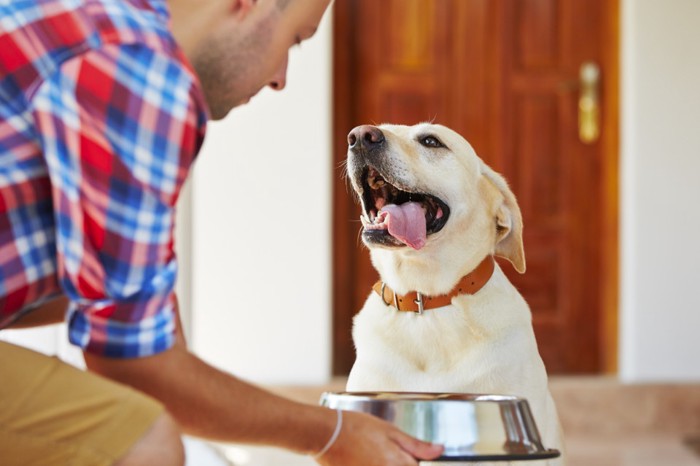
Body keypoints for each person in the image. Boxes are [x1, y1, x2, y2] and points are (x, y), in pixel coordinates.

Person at [0, 0, 445, 465]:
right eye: (293, 39)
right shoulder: (140, 70)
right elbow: (134, 368)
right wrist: (331, 434)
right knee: (142, 441)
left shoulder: (96, 18)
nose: (280, 77)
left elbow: (117, 307)